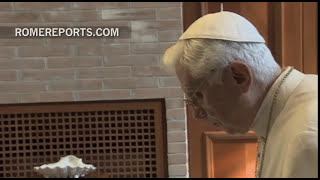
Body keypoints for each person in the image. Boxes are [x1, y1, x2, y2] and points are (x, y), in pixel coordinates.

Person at [162, 11, 318, 178]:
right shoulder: (280, 112)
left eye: (198, 95)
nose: (197, 113)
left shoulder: (306, 139)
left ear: (238, 77)